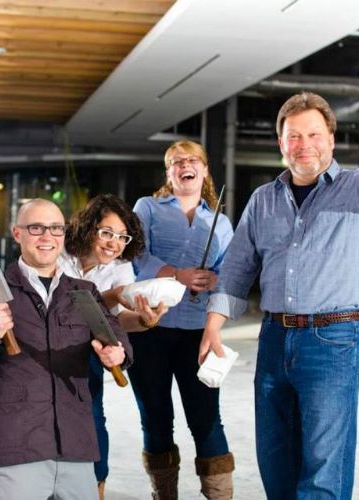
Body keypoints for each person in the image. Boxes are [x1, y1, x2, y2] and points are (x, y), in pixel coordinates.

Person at [201, 78, 359, 499]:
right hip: (274, 338)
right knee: (275, 457)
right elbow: (237, 267)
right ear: (281, 143)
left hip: (332, 339)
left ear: (331, 138)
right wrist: (213, 325)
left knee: (324, 462)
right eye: (294, 136)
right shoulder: (263, 200)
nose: (303, 143)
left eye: (313, 134)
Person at [0, 198, 132, 500]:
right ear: (18, 234)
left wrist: (117, 354)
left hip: (77, 449)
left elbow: (117, 340)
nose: (47, 237)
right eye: (36, 228)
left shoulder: (83, 292)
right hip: (17, 449)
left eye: (55, 229)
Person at [130, 140, 235, 499]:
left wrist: (214, 279)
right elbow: (135, 255)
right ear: (169, 172)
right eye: (177, 161)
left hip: (197, 333)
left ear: (205, 170)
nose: (184, 165)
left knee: (206, 421)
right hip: (148, 330)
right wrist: (178, 274)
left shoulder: (220, 222)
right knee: (156, 420)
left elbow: (230, 274)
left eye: (193, 160)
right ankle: (165, 495)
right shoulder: (147, 208)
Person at [59, 194, 168, 499]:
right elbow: (61, 306)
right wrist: (112, 296)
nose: (114, 243)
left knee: (92, 418)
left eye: (122, 236)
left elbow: (116, 321)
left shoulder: (121, 267)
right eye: (107, 232)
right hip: (44, 349)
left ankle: (97, 488)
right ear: (88, 228)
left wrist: (147, 320)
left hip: (85, 351)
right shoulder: (59, 253)